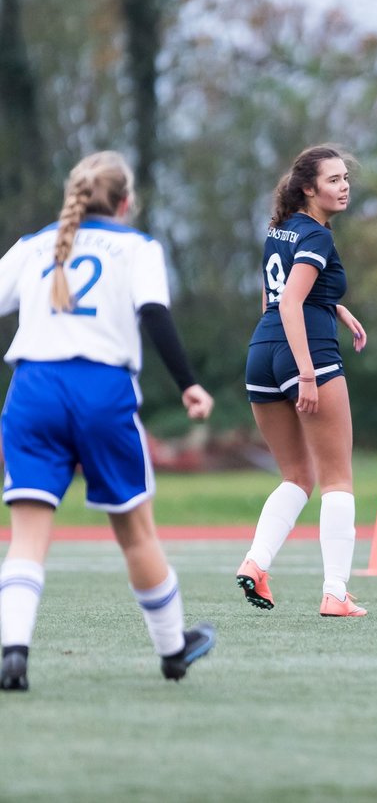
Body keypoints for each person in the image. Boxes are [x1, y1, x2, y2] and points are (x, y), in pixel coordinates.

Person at [0, 151, 216, 691]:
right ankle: (173, 650)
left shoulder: (31, 246)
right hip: (102, 391)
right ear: (125, 202)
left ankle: (13, 654)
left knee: (26, 537)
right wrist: (188, 382)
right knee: (135, 533)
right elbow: (155, 314)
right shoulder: (137, 247)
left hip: (33, 390)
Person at [237, 145, 368, 617]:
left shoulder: (280, 230)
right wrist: (308, 373)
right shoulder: (317, 236)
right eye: (333, 179)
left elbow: (280, 295)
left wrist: (336, 304)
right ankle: (335, 592)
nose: (344, 185)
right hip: (304, 353)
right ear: (309, 189)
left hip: (261, 354)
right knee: (337, 479)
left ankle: (256, 563)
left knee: (296, 476)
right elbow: (292, 303)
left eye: (345, 177)